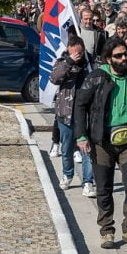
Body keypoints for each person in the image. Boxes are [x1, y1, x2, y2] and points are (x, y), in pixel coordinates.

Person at [73, 37, 127, 250]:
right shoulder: (96, 78)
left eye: (125, 54)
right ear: (108, 59)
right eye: (118, 56)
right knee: (104, 188)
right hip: (102, 142)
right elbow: (80, 105)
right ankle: (106, 230)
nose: (124, 59)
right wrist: (81, 135)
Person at [50, 36, 96, 197]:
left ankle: (88, 182)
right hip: (66, 113)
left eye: (79, 53)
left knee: (86, 149)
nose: (77, 56)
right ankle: (67, 175)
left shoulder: (90, 63)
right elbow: (54, 78)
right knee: (67, 147)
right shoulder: (62, 61)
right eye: (74, 53)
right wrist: (69, 62)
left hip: (86, 114)